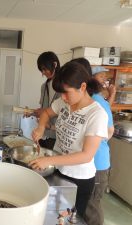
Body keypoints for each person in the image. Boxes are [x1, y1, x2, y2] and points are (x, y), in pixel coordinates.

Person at [29, 61, 108, 219]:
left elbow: (86, 155)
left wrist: (49, 160)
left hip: (79, 179)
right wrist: (41, 128)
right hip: (58, 171)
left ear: (83, 87)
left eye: (66, 93)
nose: (63, 98)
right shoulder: (63, 103)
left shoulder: (96, 114)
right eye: (61, 93)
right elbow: (46, 113)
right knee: (53, 216)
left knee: (69, 219)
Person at [71, 58, 115, 225]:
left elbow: (109, 131)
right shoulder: (81, 99)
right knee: (81, 208)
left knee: (92, 209)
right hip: (82, 164)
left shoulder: (96, 102)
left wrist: (92, 142)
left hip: (96, 164)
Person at [26, 51, 61, 150]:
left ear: (54, 65)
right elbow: (44, 110)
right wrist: (32, 113)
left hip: (57, 136)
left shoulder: (64, 86)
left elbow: (65, 110)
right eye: (41, 70)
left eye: (45, 69)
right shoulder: (44, 86)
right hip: (44, 133)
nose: (43, 73)